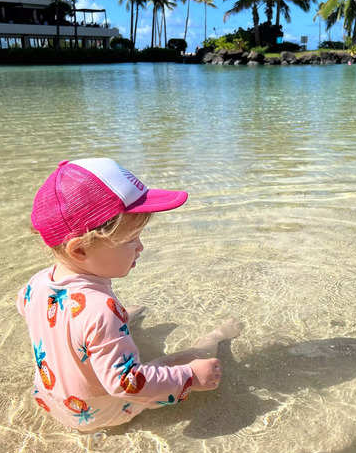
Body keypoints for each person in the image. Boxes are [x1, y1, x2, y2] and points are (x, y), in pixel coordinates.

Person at [17, 158, 242, 431]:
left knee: (94, 326)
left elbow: (36, 314)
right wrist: (190, 376)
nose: (141, 247)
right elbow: (126, 384)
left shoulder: (36, 283)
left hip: (52, 400)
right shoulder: (100, 309)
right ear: (80, 250)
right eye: (130, 240)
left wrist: (93, 330)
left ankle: (114, 329)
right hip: (103, 412)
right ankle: (216, 337)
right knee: (186, 359)